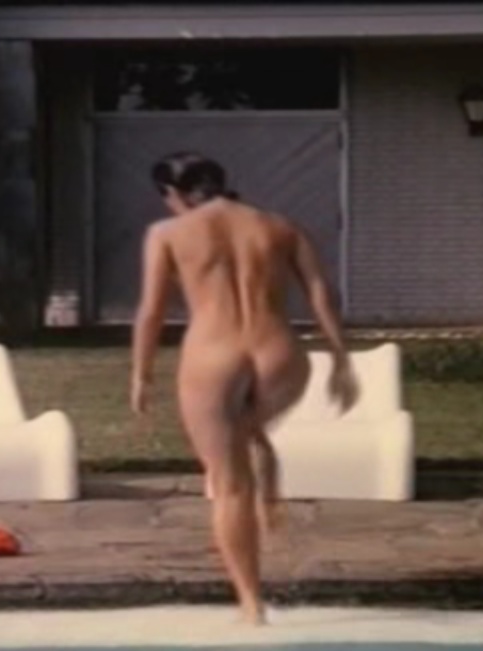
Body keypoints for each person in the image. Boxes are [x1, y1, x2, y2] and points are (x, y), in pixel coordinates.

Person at [129, 151, 358, 625]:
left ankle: (252, 606)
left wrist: (141, 372)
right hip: (280, 356)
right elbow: (321, 293)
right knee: (247, 431)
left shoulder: (167, 233)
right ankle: (260, 449)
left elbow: (151, 310)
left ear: (174, 193)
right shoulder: (280, 226)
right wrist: (340, 359)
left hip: (212, 356)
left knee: (228, 485)